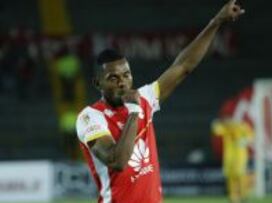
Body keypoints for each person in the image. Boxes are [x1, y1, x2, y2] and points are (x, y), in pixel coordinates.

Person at [76, 1, 244, 202]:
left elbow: (183, 66)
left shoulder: (145, 97)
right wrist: (133, 112)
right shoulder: (90, 117)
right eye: (113, 78)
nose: (122, 82)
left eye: (127, 75)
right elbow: (117, 161)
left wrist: (216, 22)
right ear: (98, 83)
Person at [211, 95, 254, 203]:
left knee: (240, 176)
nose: (227, 120)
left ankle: (243, 196)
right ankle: (233, 197)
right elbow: (215, 128)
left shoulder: (241, 126)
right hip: (229, 157)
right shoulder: (226, 127)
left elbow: (251, 136)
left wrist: (244, 141)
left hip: (240, 157)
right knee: (230, 178)